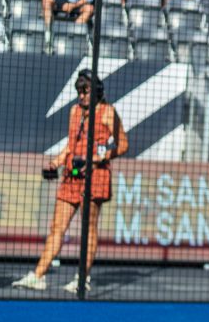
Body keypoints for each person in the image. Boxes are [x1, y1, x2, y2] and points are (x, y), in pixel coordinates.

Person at [13, 70, 128, 293]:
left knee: (89, 229)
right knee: (57, 227)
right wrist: (55, 163)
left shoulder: (107, 113)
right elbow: (70, 145)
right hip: (71, 176)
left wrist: (98, 157)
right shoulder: (75, 111)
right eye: (79, 92)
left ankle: (82, 279)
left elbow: (123, 144)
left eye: (85, 92)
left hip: (95, 177)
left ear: (96, 91)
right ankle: (38, 275)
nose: (81, 96)